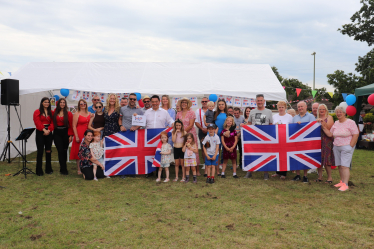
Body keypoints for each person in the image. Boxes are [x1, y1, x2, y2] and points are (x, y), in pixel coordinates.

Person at [321, 106, 359, 191]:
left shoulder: (350, 122)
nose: (338, 114)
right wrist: (323, 127)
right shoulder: (336, 123)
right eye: (337, 112)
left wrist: (351, 145)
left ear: (344, 113)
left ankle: (345, 184)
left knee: (345, 166)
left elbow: (356, 134)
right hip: (336, 146)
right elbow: (331, 134)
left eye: (340, 112)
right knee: (340, 165)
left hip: (346, 146)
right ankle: (341, 181)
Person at [245, 94, 273, 180]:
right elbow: (249, 124)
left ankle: (266, 173)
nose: (259, 102)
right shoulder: (252, 112)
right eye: (258, 100)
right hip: (254, 137)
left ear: (264, 101)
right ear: (256, 101)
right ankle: (250, 171)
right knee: (252, 154)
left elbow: (271, 125)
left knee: (265, 154)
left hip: (265, 138)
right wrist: (244, 126)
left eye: (261, 100)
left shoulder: (269, 112)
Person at [291, 101, 316, 183]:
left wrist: (302, 125)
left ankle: (305, 176)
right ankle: (298, 175)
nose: (300, 108)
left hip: (306, 141)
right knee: (297, 157)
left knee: (305, 157)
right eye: (299, 107)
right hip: (296, 141)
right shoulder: (295, 118)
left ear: (306, 107)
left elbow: (313, 128)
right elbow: (292, 129)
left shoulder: (311, 116)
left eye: (301, 106)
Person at [271, 101, 293, 179]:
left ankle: (284, 173)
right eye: (279, 107)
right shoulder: (274, 116)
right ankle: (277, 172)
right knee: (277, 155)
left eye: (282, 107)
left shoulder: (289, 117)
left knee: (284, 156)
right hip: (276, 139)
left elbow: (292, 128)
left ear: (285, 108)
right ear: (277, 108)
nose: (281, 109)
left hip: (285, 139)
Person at [176, 97, 200, 169]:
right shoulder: (178, 113)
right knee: (183, 149)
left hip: (190, 134)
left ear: (188, 104)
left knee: (193, 149)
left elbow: (191, 125)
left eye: (185, 102)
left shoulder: (191, 112)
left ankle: (197, 169)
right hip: (181, 134)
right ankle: (185, 169)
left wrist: (184, 132)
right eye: (182, 102)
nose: (183, 104)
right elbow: (177, 124)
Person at [33, 97, 55, 176]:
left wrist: (49, 130)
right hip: (40, 132)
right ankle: (39, 170)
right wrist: (43, 130)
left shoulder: (51, 112)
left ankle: (48, 169)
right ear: (42, 103)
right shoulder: (37, 111)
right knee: (40, 151)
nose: (47, 103)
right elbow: (37, 122)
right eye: (45, 102)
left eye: (48, 102)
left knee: (48, 151)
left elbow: (53, 122)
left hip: (49, 132)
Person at [52, 98, 73, 175]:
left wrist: (70, 135)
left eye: (64, 102)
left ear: (65, 104)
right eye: (61, 102)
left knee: (64, 150)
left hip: (65, 132)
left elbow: (70, 125)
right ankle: (63, 168)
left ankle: (63, 167)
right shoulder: (54, 112)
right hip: (57, 132)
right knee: (60, 150)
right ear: (58, 104)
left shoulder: (69, 113)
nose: (62, 104)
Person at [71, 99, 91, 175]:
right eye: (81, 104)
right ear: (79, 105)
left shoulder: (89, 113)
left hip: (88, 134)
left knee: (87, 150)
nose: (83, 105)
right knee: (78, 150)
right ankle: (79, 169)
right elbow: (74, 126)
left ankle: (87, 167)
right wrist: (76, 136)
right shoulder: (77, 114)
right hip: (79, 133)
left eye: (84, 104)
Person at [315, 104, 335, 183]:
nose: (322, 111)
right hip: (318, 140)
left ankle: (329, 178)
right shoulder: (316, 118)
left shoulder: (329, 117)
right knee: (319, 159)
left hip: (327, 140)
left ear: (326, 110)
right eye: (320, 109)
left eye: (323, 109)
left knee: (327, 159)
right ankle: (320, 177)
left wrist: (322, 122)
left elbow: (329, 127)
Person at [214, 99, 229, 175]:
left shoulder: (228, 114)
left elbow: (232, 124)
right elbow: (212, 123)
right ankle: (217, 171)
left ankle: (223, 169)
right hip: (216, 136)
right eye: (219, 104)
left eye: (222, 104)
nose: (221, 106)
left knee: (225, 152)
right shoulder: (215, 113)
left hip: (225, 136)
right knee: (217, 153)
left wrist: (228, 131)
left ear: (225, 105)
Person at [195, 97, 209, 174]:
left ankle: (211, 162)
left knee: (211, 147)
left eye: (205, 101)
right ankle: (205, 163)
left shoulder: (212, 110)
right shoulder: (198, 111)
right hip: (201, 130)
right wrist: (202, 128)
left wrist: (209, 129)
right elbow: (196, 121)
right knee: (204, 147)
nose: (204, 102)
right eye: (203, 101)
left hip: (210, 131)